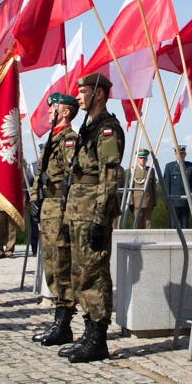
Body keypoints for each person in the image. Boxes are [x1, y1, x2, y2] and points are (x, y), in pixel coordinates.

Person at [60, 72, 124, 363]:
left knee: (95, 274)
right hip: (78, 212)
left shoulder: (108, 129)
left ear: (98, 93)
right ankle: (88, 332)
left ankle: (98, 338)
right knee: (79, 273)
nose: (78, 96)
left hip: (92, 214)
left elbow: (110, 177)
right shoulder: (88, 127)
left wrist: (100, 218)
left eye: (83, 91)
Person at [29, 92, 80, 346]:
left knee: (61, 266)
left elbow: (74, 179)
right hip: (47, 207)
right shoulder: (53, 137)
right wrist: (33, 198)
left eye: (54, 107)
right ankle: (58, 321)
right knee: (50, 265)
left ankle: (64, 324)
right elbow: (40, 173)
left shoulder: (69, 140)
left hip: (59, 209)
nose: (49, 110)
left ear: (66, 112)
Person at [162, 145, 192, 229]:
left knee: (185, 226)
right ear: (175, 155)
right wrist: (167, 200)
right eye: (178, 153)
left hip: (186, 201)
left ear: (185, 154)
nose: (180, 155)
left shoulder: (190, 166)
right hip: (174, 201)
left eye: (182, 153)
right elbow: (166, 185)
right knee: (173, 226)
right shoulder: (169, 167)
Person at [127, 149, 156, 229]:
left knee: (148, 225)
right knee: (137, 224)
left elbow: (153, 188)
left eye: (144, 158)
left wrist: (154, 201)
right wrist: (131, 202)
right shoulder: (133, 170)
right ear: (137, 159)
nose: (142, 160)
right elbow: (130, 187)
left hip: (148, 201)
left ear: (147, 159)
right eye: (140, 158)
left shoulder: (150, 170)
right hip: (136, 202)